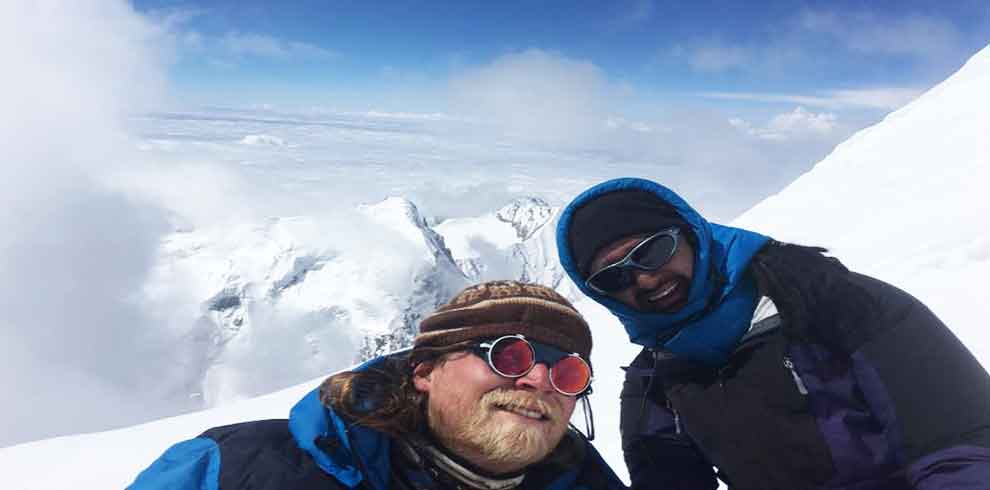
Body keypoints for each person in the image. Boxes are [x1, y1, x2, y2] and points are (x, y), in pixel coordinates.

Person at [555, 177, 990, 489]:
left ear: (693, 236)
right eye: (613, 278)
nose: (645, 280)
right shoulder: (655, 382)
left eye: (653, 251)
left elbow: (961, 442)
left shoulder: (832, 302)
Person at [128, 280, 625, 490]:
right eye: (508, 354)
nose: (540, 379)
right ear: (425, 371)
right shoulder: (233, 472)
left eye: (568, 372)